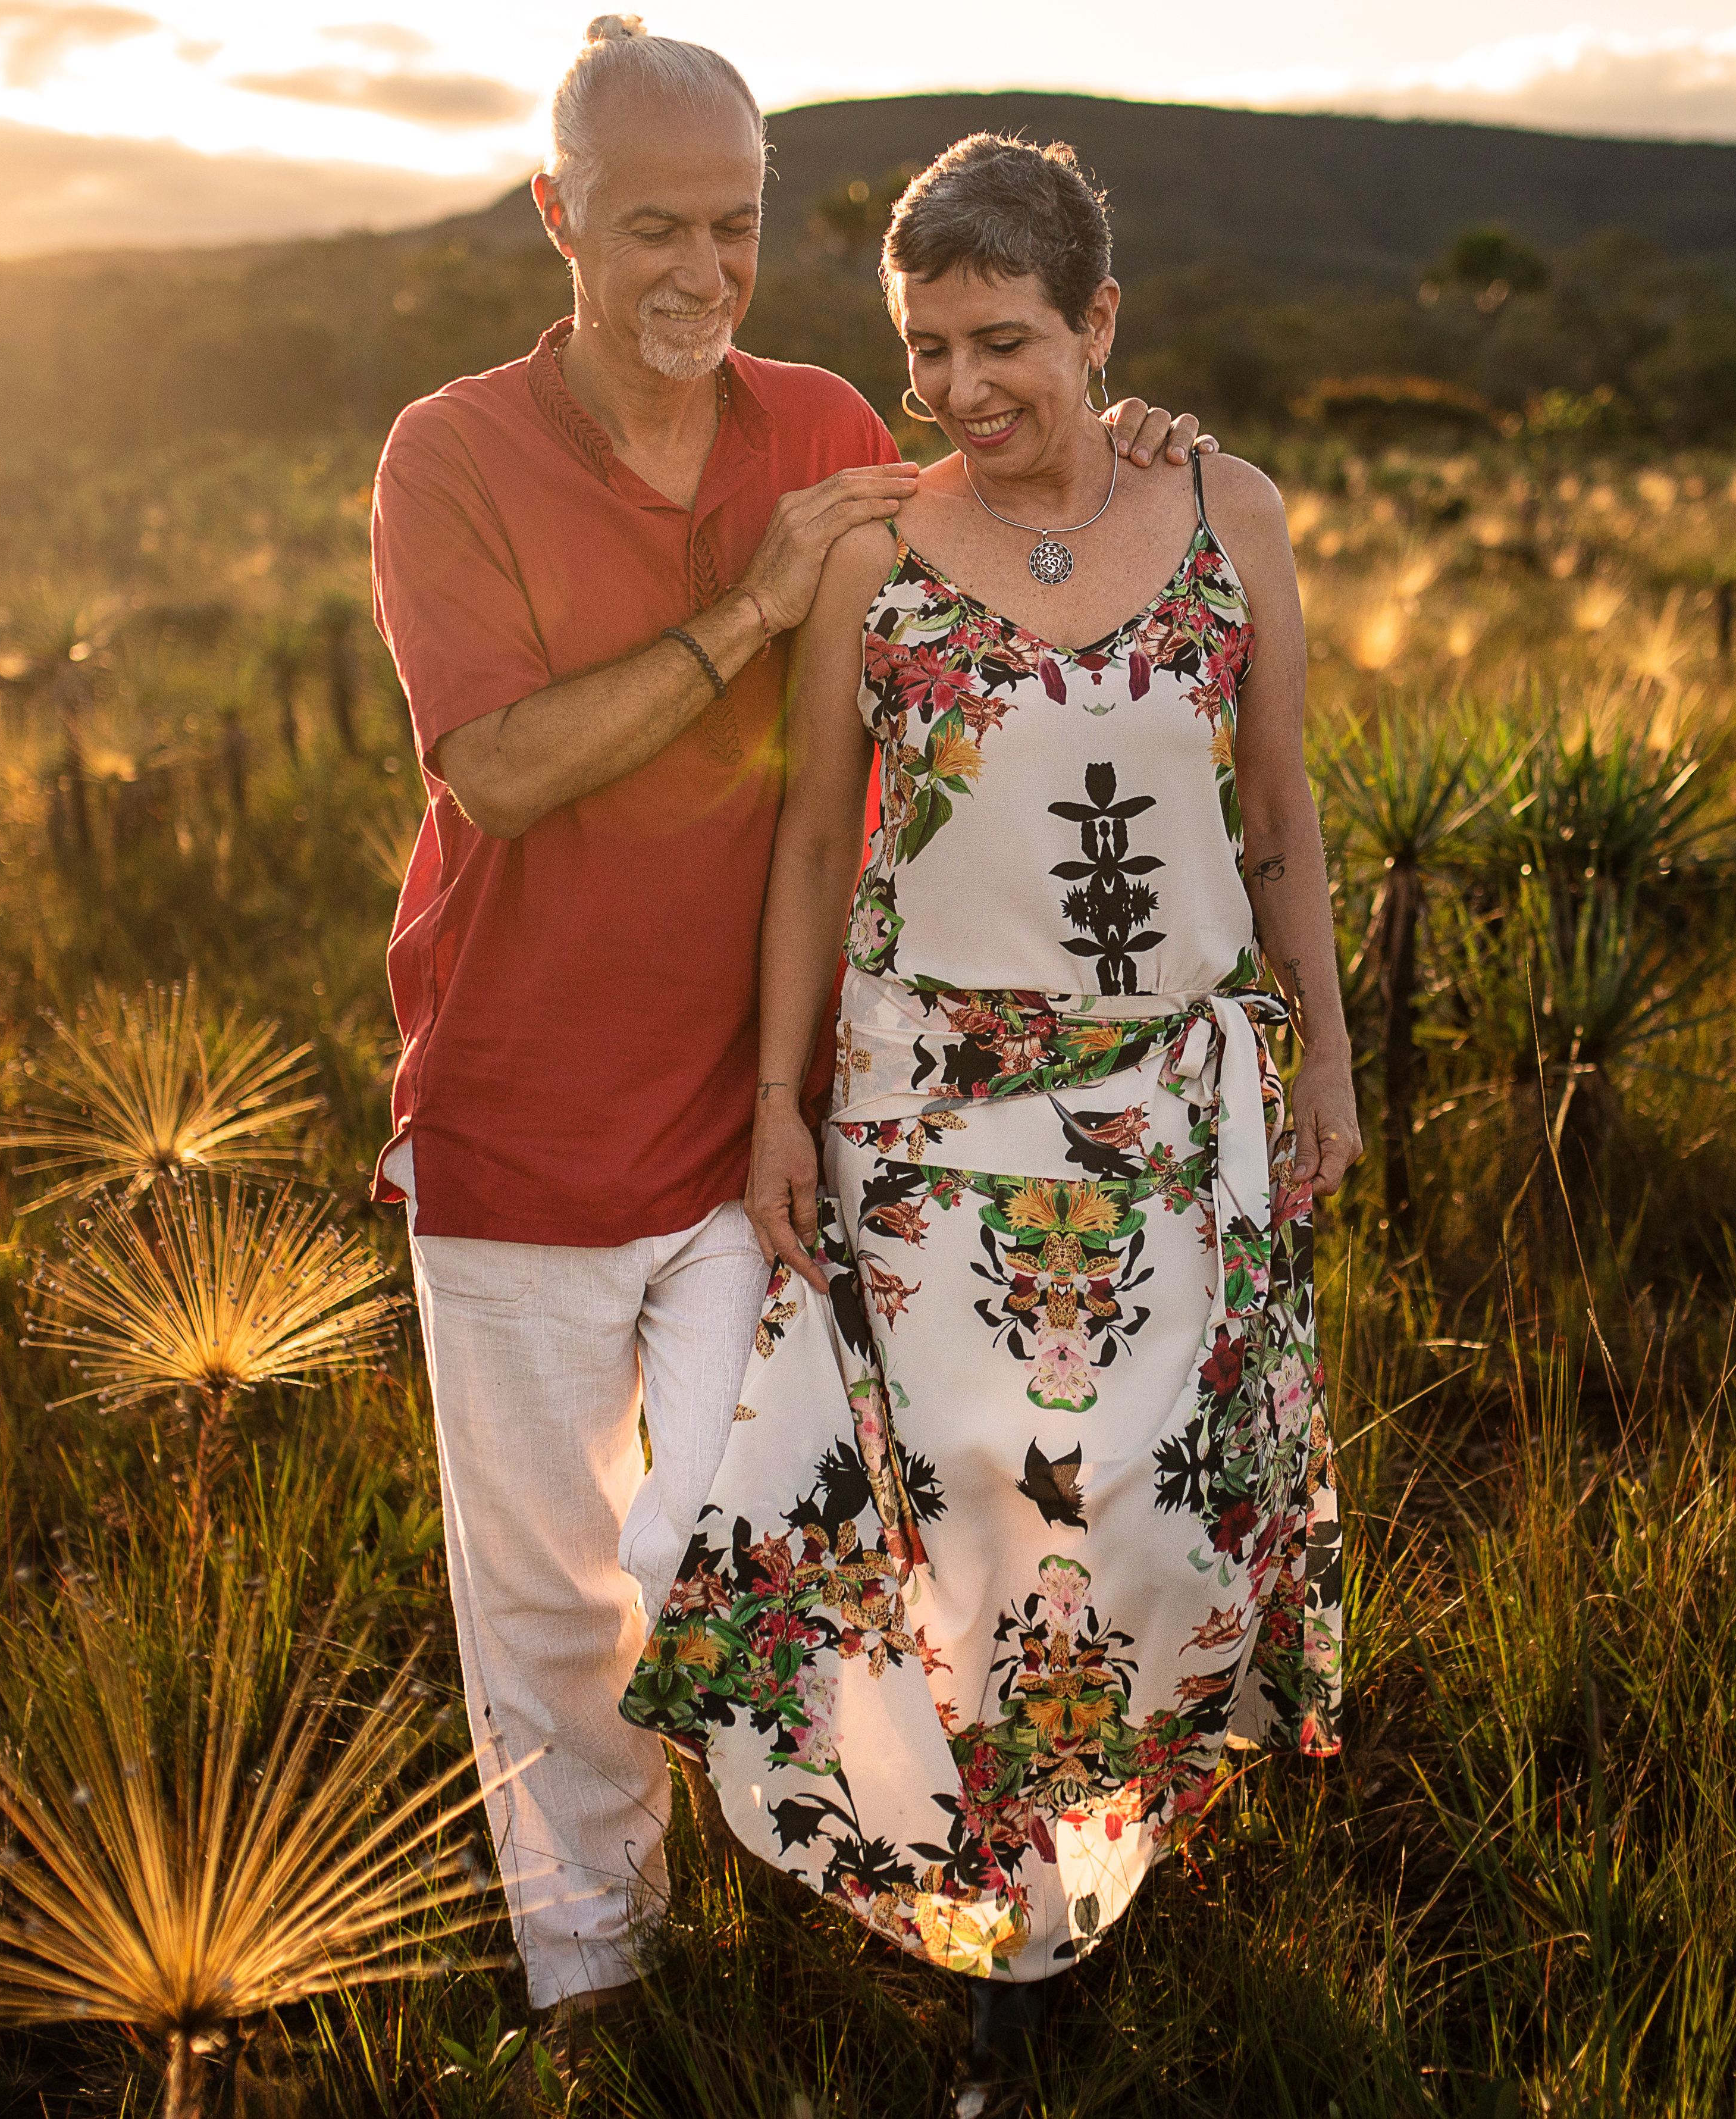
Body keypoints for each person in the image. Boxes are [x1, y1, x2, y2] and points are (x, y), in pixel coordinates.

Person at [366, 19, 1211, 2056]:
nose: (701, 273)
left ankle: (890, 1895)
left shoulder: (829, 417)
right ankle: (601, 1976)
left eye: (736, 229)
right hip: (512, 1128)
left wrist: (1127, 445)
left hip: (764, 1126)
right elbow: (494, 767)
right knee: (552, 1605)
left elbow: (1007, 530)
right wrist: (746, 612)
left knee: (736, 1537)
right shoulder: (451, 455)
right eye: (654, 226)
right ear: (557, 214)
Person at [619, 132, 1356, 2110]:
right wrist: (776, 1105)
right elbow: (804, 852)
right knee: (948, 1511)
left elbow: (1278, 819)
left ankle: (1100, 1862)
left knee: (1143, 1513)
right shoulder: (868, 544)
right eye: (927, 345)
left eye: (1005, 338)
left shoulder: (1234, 510)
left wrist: (1332, 1069)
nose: (960, 387)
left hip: (1178, 1120)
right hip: (926, 1118)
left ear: (1103, 323)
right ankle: (990, 1933)